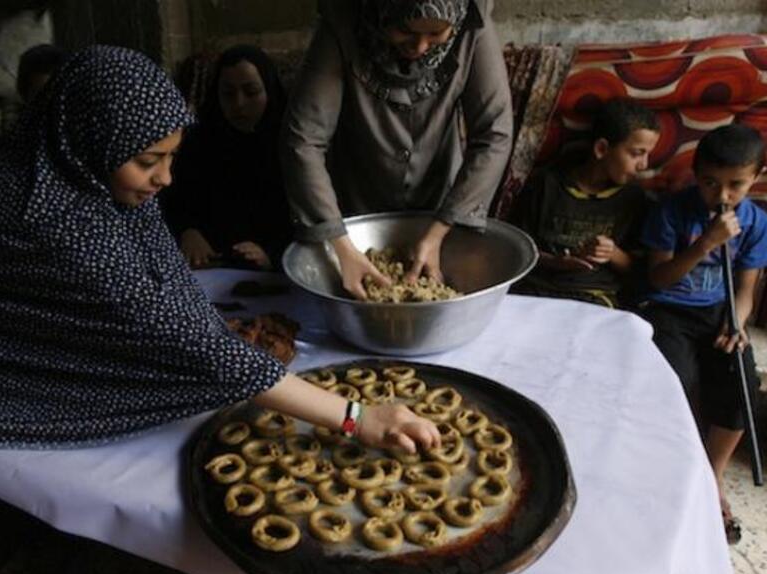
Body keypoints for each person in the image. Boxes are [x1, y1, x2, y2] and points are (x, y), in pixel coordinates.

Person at [0, 45, 439, 574]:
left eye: (172, 157)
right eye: (148, 161)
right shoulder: (47, 216)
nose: (165, 178)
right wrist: (358, 418)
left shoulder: (80, 163)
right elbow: (185, 339)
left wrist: (215, 334)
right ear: (91, 136)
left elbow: (169, 286)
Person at [282, 0, 513, 299]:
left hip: (441, 204)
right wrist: (340, 245)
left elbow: (494, 133)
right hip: (355, 211)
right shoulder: (343, 25)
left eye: (436, 34)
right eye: (405, 30)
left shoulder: (471, 21)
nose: (419, 47)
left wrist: (440, 229)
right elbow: (303, 140)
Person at [639, 123, 767, 544]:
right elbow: (658, 279)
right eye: (711, 183)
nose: (723, 196)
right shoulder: (673, 212)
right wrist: (704, 245)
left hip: (719, 314)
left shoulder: (756, 223)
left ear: (755, 180)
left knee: (741, 379)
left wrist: (738, 323)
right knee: (677, 380)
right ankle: (679, 469)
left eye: (736, 185)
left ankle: (711, 479)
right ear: (696, 175)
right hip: (670, 310)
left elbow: (746, 290)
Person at [509, 98, 660, 308]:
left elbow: (642, 271)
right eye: (637, 153)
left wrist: (612, 253)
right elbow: (517, 250)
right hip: (538, 290)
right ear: (601, 149)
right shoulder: (546, 186)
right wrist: (557, 262)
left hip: (594, 296)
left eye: (648, 155)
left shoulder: (633, 199)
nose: (643, 165)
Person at [161, 45, 294, 270]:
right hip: (209, 267)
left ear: (268, 90)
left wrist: (272, 254)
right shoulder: (197, 143)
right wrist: (188, 231)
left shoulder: (291, 146)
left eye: (251, 92)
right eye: (228, 94)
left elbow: (307, 220)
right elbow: (172, 200)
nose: (239, 104)